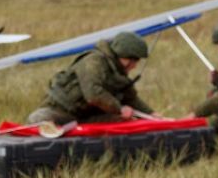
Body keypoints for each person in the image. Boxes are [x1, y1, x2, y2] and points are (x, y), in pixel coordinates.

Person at [27, 31, 155, 124]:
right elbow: (93, 94)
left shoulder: (119, 72)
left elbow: (131, 98)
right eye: (131, 60)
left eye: (136, 61)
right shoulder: (93, 61)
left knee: (129, 122)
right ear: (119, 54)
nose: (133, 65)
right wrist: (120, 108)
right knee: (39, 120)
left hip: (86, 117)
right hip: (61, 111)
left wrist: (151, 114)